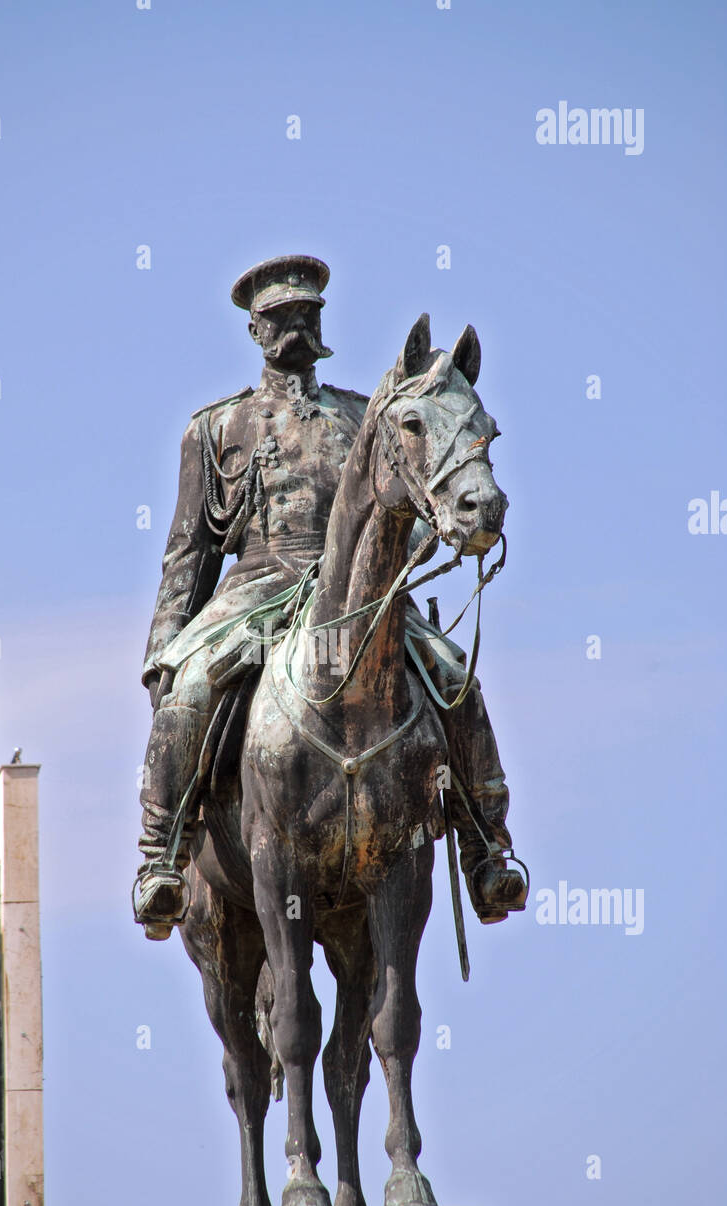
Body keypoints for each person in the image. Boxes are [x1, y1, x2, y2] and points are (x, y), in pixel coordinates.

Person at [134, 254, 526, 937]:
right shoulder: (215, 428)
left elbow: (400, 506)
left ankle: (487, 848)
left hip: (358, 597)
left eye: (305, 314)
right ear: (255, 330)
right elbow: (188, 552)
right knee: (191, 687)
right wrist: (164, 652)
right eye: (279, 317)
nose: (293, 328)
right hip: (254, 590)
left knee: (456, 678)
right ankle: (160, 858)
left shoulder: (360, 415)